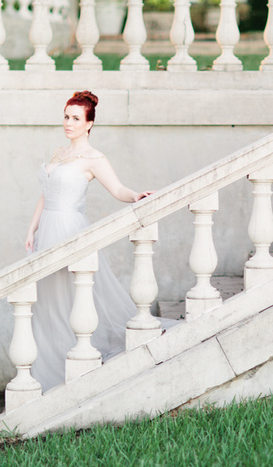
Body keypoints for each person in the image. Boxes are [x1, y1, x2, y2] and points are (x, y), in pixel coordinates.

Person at [25, 90, 168, 392]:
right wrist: (32, 229)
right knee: (47, 303)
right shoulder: (58, 153)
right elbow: (45, 194)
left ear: (89, 124)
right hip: (47, 230)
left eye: (76, 118)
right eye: (66, 116)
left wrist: (135, 196)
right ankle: (49, 376)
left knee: (73, 298)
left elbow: (117, 189)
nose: (68, 123)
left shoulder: (94, 158)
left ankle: (78, 370)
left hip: (69, 229)